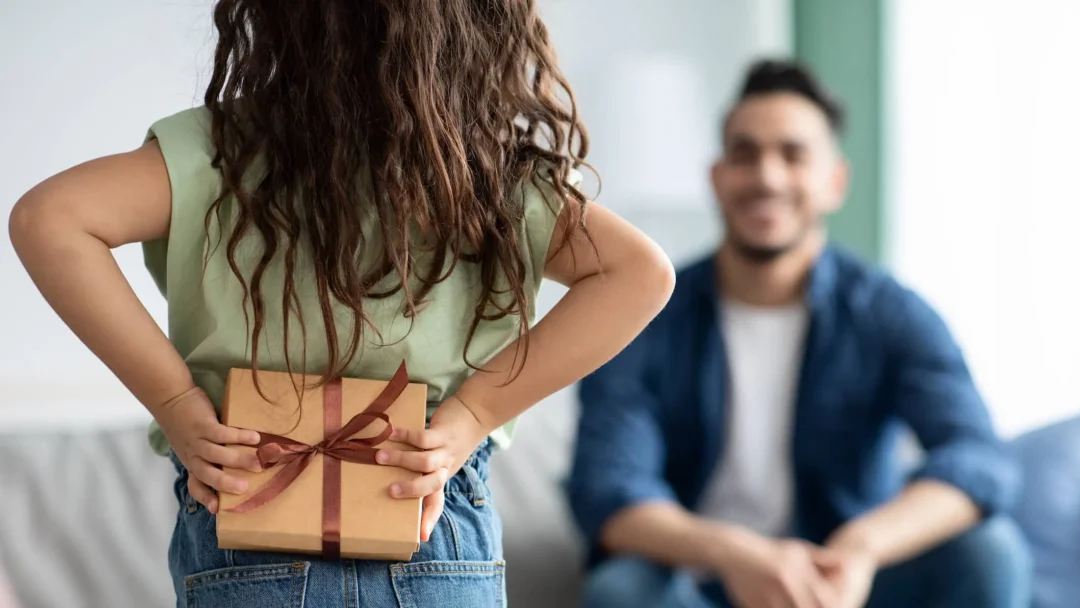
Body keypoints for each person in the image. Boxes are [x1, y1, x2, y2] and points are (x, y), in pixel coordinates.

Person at [9, 1, 675, 606]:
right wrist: (472, 417)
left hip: (248, 497)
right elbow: (641, 274)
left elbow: (49, 219)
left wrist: (179, 405)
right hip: (426, 503)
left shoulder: (217, 151)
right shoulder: (480, 173)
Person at [567, 60, 1031, 608]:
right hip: (703, 583)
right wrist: (735, 553)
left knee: (990, 552)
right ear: (716, 178)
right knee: (620, 591)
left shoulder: (890, 313)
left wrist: (861, 547)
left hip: (845, 584)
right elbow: (608, 486)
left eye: (793, 155)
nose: (767, 176)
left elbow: (976, 457)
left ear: (834, 181)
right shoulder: (644, 312)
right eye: (745, 154)